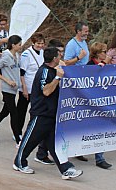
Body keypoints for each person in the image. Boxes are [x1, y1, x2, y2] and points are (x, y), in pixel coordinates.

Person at [14, 47, 83, 180]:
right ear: (53, 58)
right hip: (41, 113)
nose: (61, 57)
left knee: (55, 144)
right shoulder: (44, 72)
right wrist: (57, 77)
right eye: (59, 55)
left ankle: (66, 169)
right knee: (30, 139)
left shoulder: (54, 69)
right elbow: (46, 91)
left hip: (52, 113)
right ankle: (19, 162)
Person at [86, 43, 112, 169]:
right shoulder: (90, 66)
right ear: (96, 53)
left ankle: (100, 158)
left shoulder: (106, 66)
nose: (105, 54)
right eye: (103, 52)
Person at [18, 33, 45, 133]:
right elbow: (22, 72)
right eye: (38, 43)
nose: (40, 45)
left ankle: (31, 130)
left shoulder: (42, 52)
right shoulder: (26, 54)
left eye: (42, 43)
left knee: (35, 111)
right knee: (21, 111)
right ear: (33, 43)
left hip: (37, 87)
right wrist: (24, 88)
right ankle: (18, 132)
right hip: (27, 86)